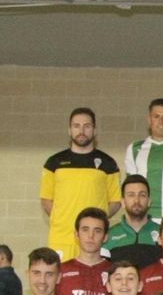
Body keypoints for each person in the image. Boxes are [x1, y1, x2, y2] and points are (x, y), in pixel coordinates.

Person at [40, 107, 122, 259]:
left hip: (94, 242)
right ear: (69, 130)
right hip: (62, 239)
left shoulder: (108, 164)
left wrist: (97, 220)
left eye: (87, 126)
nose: (81, 131)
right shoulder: (53, 163)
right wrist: (63, 217)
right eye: (76, 126)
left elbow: (115, 202)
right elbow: (46, 200)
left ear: (94, 130)